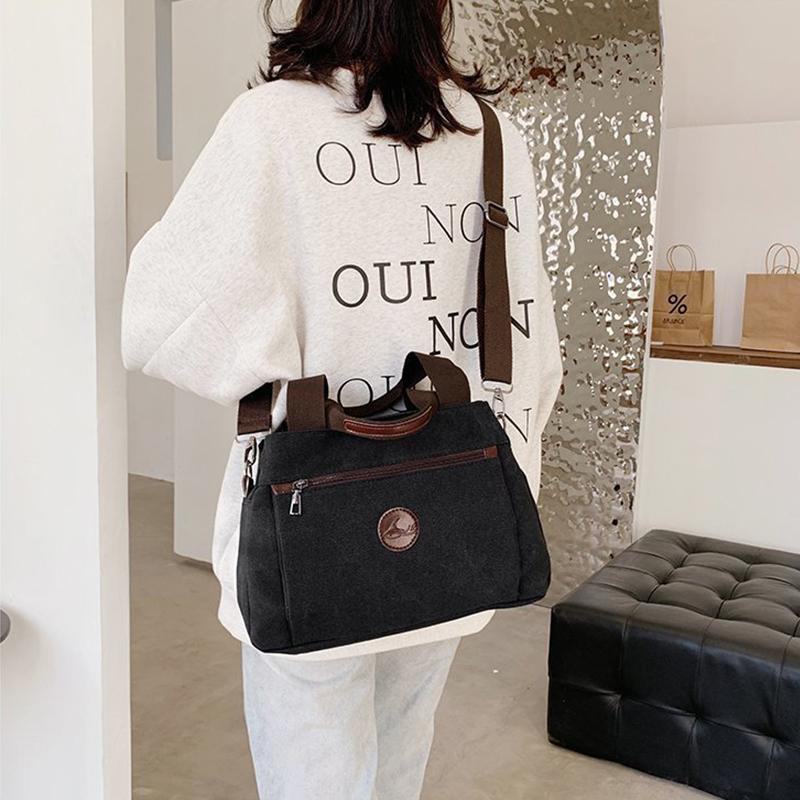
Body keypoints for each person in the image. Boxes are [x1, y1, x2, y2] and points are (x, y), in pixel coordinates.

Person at [121, 1, 562, 797]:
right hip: (453, 510)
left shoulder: (272, 125)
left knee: (312, 775)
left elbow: (163, 313)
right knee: (401, 757)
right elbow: (533, 348)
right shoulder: (492, 135)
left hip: (309, 518)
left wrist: (274, 364)